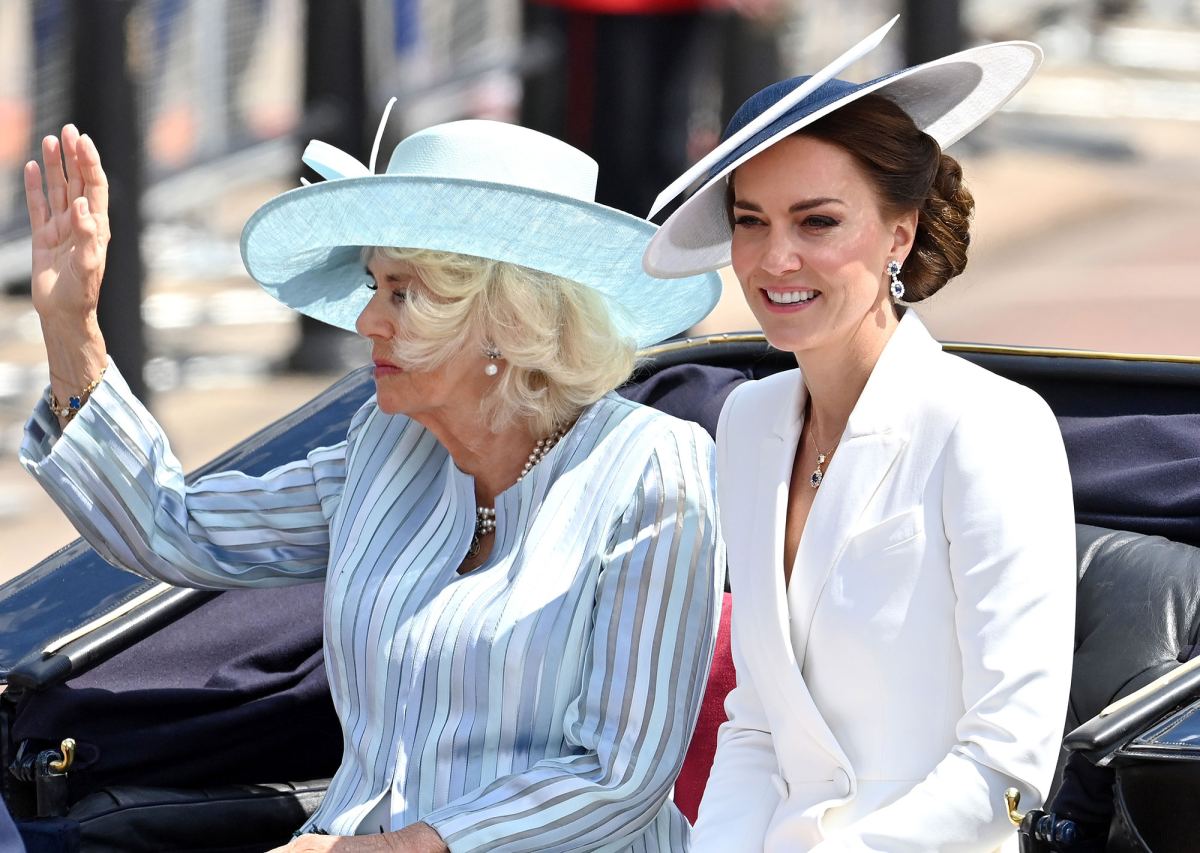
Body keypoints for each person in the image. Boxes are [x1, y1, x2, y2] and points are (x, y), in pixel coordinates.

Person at [20, 116, 725, 850]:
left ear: (504, 318)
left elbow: (619, 775)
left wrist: (395, 848)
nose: (366, 319)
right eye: (373, 286)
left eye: (401, 292)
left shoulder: (653, 468)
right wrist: (72, 330)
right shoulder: (391, 446)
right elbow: (175, 527)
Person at [643, 19, 1076, 852]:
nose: (775, 260)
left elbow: (1006, 761)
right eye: (750, 221)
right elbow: (760, 726)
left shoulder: (990, 424)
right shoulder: (749, 418)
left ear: (899, 233)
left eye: (817, 222)